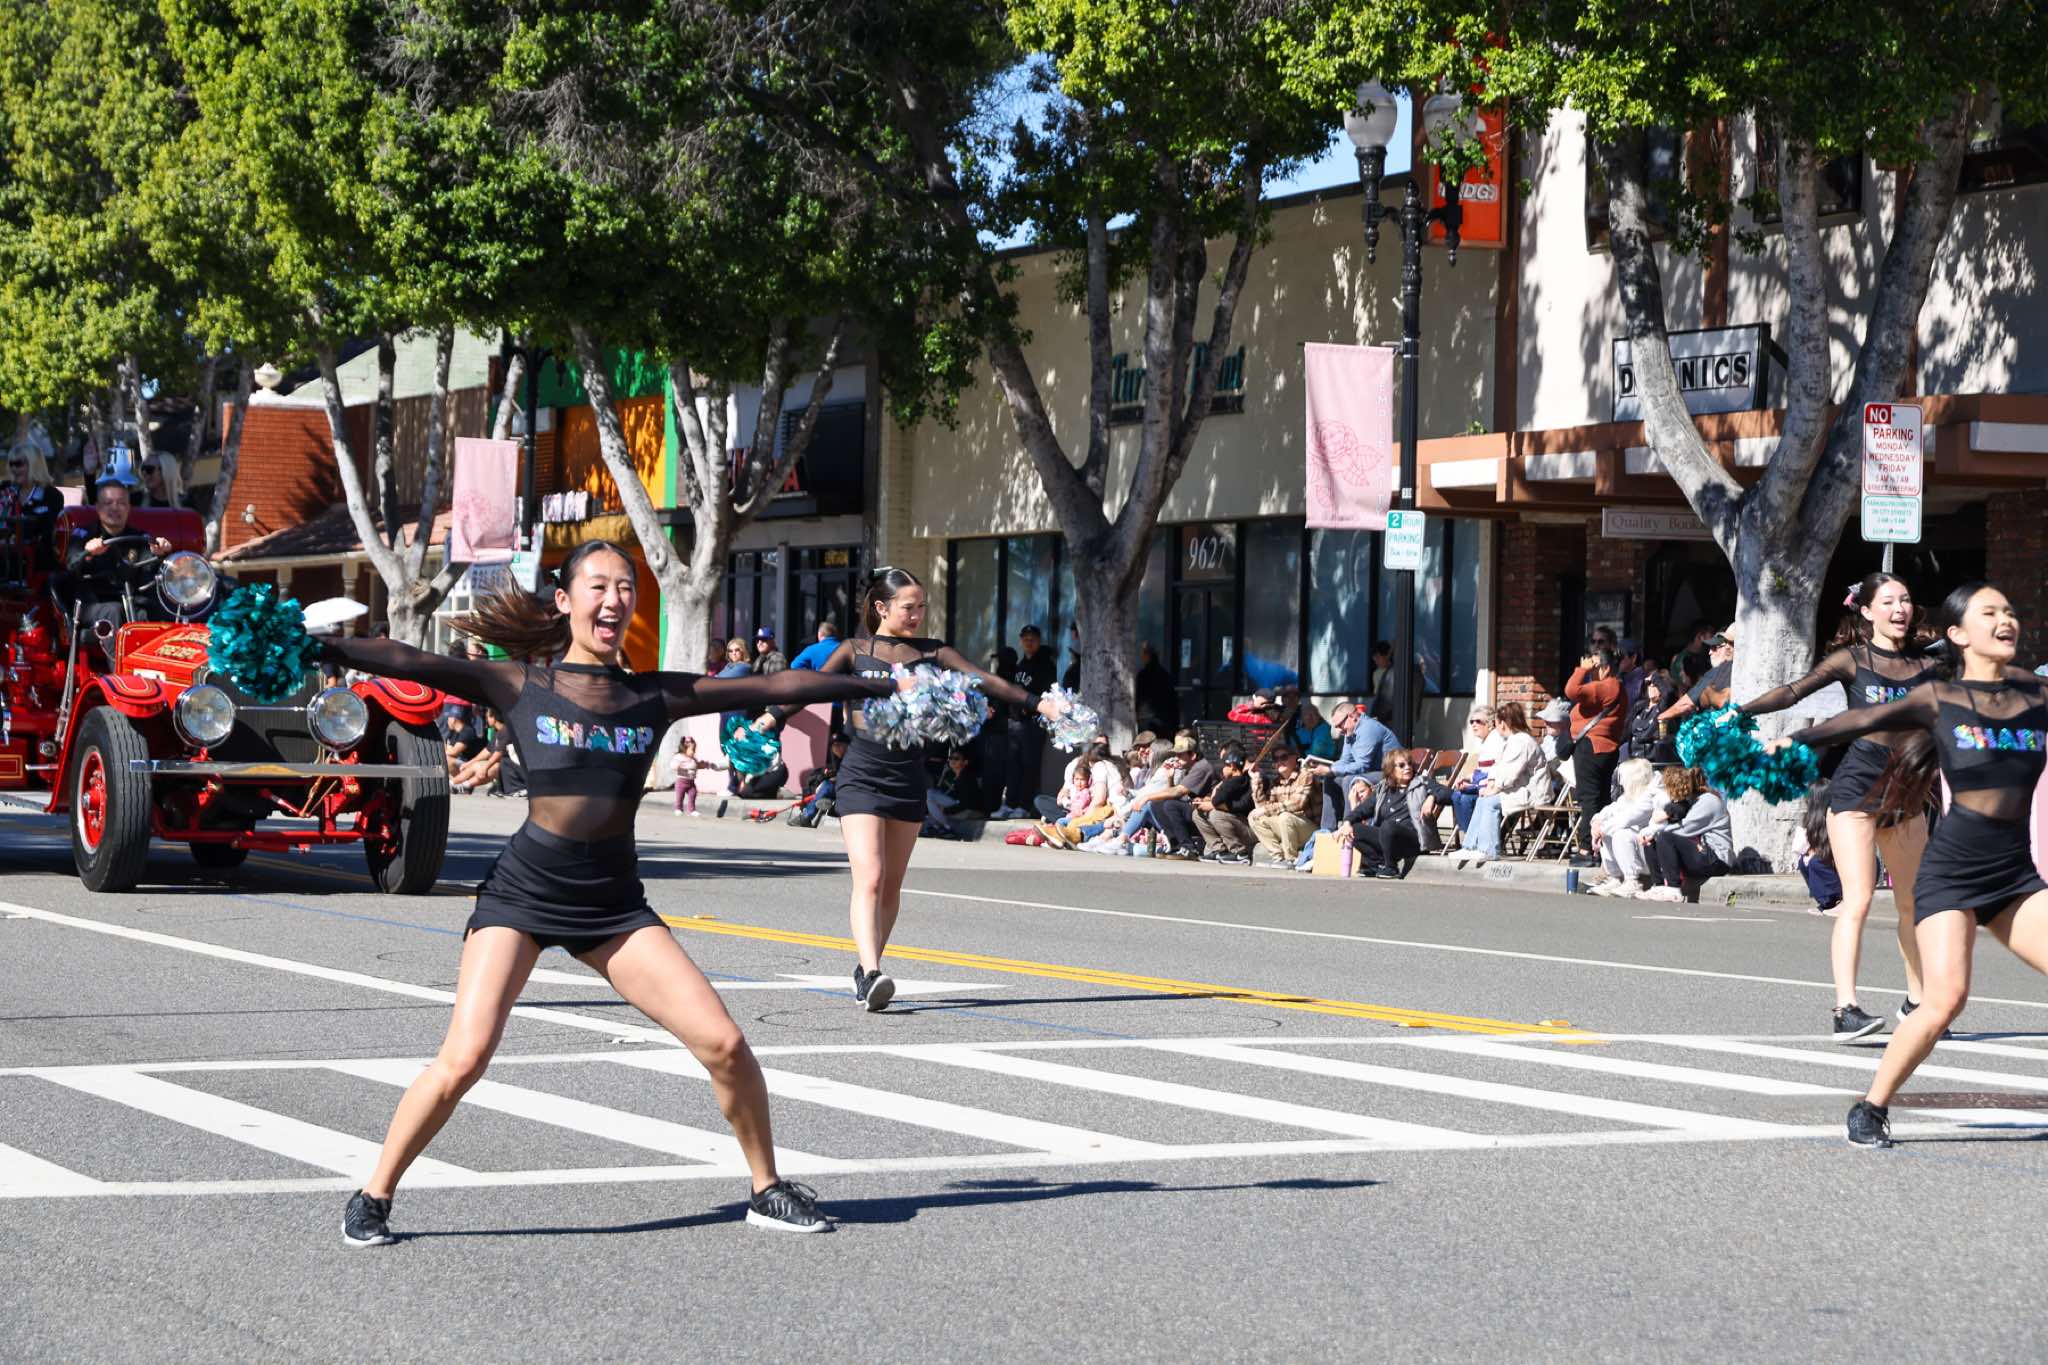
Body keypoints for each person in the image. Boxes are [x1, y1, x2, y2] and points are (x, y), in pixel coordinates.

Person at [310, 539, 893, 1244]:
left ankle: (765, 1188)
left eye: (626, 587)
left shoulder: (654, 695)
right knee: (464, 1057)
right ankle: (374, 1193)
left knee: (725, 1043)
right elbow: (413, 661)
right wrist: (326, 648)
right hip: (522, 894)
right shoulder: (521, 683)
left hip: (613, 904)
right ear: (564, 601)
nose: (614, 599)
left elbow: (774, 689)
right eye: (599, 586)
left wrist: (873, 687)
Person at [1779, 584, 2048, 1147]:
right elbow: (1860, 721)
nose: (2005, 620)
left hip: (2014, 876)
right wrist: (1793, 741)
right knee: (1945, 999)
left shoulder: (2038, 695)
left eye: (2009, 611)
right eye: (1990, 613)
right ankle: (1871, 1107)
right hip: (1952, 874)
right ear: (1957, 634)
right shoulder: (1940, 698)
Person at [770, 567, 1059, 1012]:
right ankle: (871, 973)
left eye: (922, 606)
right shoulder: (853, 650)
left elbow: (984, 680)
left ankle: (867, 968)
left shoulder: (933, 652)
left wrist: (1039, 704)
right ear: (881, 607)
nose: (917, 614)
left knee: (891, 886)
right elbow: (812, 687)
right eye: (909, 607)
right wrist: (771, 718)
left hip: (908, 777)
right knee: (870, 876)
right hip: (861, 775)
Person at [1737, 571, 1937, 1041]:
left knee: (1915, 903)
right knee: (1859, 899)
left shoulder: (1929, 666)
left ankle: (1918, 1003)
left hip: (1906, 793)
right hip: (1856, 791)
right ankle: (1845, 1009)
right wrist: (1740, 711)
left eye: (1905, 600)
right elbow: (1793, 691)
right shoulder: (1854, 659)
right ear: (1866, 612)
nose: (1900, 609)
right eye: (1888, 602)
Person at [61, 479, 174, 638]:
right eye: (108, 503)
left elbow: (152, 568)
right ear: (98, 507)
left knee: (155, 611)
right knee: (114, 611)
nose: (115, 508)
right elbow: (70, 565)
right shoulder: (83, 535)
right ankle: (119, 656)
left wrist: (160, 553)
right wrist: (88, 554)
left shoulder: (140, 538)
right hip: (90, 604)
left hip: (130, 602)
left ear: (128, 508)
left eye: (121, 503)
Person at [1340, 750, 1450, 878]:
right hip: (1387, 838)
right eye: (1402, 765)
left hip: (1414, 839)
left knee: (1388, 826)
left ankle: (1391, 867)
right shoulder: (1383, 788)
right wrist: (1347, 822)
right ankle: (1375, 864)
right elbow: (1363, 810)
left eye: (1409, 764)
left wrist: (1432, 797)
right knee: (1355, 829)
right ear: (1391, 770)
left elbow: (1448, 794)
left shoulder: (1422, 783)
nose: (1407, 767)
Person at [1564, 647, 1626, 866]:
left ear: (1606, 668)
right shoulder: (1614, 688)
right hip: (1604, 748)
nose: (1591, 670)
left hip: (1591, 747)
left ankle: (1586, 849)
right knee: (1601, 799)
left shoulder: (1606, 686)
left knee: (1589, 799)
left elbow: (1571, 690)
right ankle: (1601, 847)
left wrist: (1581, 669)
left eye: (1595, 666)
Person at [1461, 702, 1545, 863]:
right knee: (1483, 799)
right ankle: (1470, 846)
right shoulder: (1512, 740)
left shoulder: (1521, 742)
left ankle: (1489, 850)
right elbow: (1499, 768)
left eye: (1497, 722)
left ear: (1503, 723)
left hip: (1531, 792)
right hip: (1518, 789)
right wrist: (1491, 784)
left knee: (1489, 802)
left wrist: (1495, 788)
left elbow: (1510, 773)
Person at [1636, 767, 1732, 903]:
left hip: (1717, 860)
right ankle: (1658, 886)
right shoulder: (1692, 801)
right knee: (1652, 840)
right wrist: (1650, 834)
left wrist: (1652, 832)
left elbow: (1686, 828)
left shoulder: (1708, 801)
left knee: (1664, 836)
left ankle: (1674, 890)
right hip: (1702, 854)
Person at [992, 624, 1057, 818]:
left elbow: (1047, 694)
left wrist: (1029, 705)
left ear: (1039, 641)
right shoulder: (1020, 665)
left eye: (1033, 639)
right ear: (1020, 641)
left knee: (1030, 764)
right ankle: (1010, 804)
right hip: (1015, 722)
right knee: (1013, 764)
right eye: (1026, 639)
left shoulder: (1046, 665)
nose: (1029, 643)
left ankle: (1024, 806)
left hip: (1033, 722)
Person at [1316, 700, 1402, 830]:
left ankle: (1349, 826)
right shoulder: (1350, 731)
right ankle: (1327, 830)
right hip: (1373, 772)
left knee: (1348, 780)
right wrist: (1326, 769)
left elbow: (1362, 766)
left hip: (1391, 773)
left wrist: (1331, 770)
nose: (1340, 730)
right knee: (1330, 780)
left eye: (1340, 725)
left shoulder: (1368, 728)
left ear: (1351, 717)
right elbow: (1345, 760)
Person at [1587, 759, 1667, 897]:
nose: (1621, 782)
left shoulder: (1652, 796)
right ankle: (1615, 878)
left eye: (1623, 777)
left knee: (1621, 833)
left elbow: (1628, 817)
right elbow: (1611, 809)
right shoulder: (1630, 796)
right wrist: (1597, 822)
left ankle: (1632, 882)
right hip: (1641, 850)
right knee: (1609, 830)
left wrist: (1601, 829)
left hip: (1654, 853)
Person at [1146, 734, 1220, 858]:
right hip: (1196, 809)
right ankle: (1175, 845)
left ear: (1193, 755)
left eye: (1180, 755)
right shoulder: (1188, 768)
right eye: (1176, 754)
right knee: (1157, 805)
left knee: (1170, 805)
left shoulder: (1201, 767)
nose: (1177, 758)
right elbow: (1173, 796)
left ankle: (1188, 848)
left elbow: (1178, 792)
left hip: (1208, 811)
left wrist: (1146, 797)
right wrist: (1170, 777)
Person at [1247, 746, 1318, 867]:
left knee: (1285, 817)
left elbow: (1297, 804)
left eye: (1284, 757)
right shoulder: (1276, 782)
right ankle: (1278, 858)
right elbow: (1263, 808)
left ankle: (1291, 859)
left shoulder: (1305, 775)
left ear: (1295, 758)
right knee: (1254, 817)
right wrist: (1256, 780)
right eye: (1276, 759)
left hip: (1311, 830)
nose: (1279, 761)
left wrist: (1265, 809)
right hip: (1288, 827)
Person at [2, 446, 64, 577]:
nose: (14, 469)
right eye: (11, 464)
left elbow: (47, 535)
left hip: (38, 563)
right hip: (6, 559)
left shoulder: (51, 495)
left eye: (19, 464)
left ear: (34, 465)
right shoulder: (5, 489)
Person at [1194, 747, 1256, 864]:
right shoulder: (1233, 781)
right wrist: (1206, 801)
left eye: (1225, 766)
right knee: (1197, 814)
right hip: (1237, 824)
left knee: (1216, 815)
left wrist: (1214, 804)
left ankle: (1240, 853)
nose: (1222, 769)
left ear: (1232, 766)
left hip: (1249, 828)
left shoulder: (1242, 781)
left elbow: (1217, 800)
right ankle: (1220, 850)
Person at [1659, 629, 1736, 723]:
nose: (1710, 652)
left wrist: (1662, 717)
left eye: (1715, 648)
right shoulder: (1741, 670)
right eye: (1710, 648)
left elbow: (1686, 703)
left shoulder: (1717, 671)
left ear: (1729, 649)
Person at [1448, 705, 1502, 839]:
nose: (1474, 725)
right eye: (1471, 721)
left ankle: (1473, 838)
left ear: (1490, 724)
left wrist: (1473, 785)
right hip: (1483, 785)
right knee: (1456, 796)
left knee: (1465, 798)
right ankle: (1468, 836)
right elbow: (1482, 770)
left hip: (1494, 788)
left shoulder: (1496, 741)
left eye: (1478, 721)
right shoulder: (1486, 741)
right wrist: (1468, 778)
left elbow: (1494, 772)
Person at [924, 748, 989, 840]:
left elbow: (967, 802)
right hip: (955, 804)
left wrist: (946, 810)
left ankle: (948, 827)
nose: (952, 761)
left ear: (965, 762)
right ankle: (936, 827)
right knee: (930, 794)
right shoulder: (949, 774)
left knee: (930, 795)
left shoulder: (968, 778)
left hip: (969, 808)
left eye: (956, 758)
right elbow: (942, 793)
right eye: (950, 758)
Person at [1797, 792, 1844, 913]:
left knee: (1816, 862)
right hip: (1826, 855)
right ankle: (1826, 902)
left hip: (1844, 859)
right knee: (1803, 862)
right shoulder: (1811, 818)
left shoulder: (1835, 814)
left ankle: (1843, 896)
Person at [1627, 669, 1679, 763]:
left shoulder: (1665, 708)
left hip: (1655, 761)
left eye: (1655, 685)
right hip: (1634, 759)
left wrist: (1655, 677)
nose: (1651, 686)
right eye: (1649, 684)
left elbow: (1668, 693)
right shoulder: (1639, 706)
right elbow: (1626, 730)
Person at [1134, 641, 1179, 737]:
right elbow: (1173, 701)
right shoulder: (1165, 675)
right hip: (1165, 721)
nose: (1141, 657)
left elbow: (1138, 698)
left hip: (1147, 721)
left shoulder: (1143, 675)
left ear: (1147, 655)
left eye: (1143, 653)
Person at [671, 735, 723, 816]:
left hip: (691, 783)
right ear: (684, 749)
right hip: (681, 782)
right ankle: (678, 808)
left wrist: (706, 765)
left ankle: (691, 810)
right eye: (692, 750)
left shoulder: (693, 759)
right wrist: (679, 766)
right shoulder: (679, 757)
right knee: (680, 796)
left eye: (694, 750)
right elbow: (673, 765)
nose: (694, 752)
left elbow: (697, 765)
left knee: (693, 794)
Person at [443, 710, 485, 780]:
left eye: (448, 719)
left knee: (447, 760)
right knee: (443, 760)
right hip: (459, 761)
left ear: (453, 719)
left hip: (470, 763)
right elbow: (448, 749)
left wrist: (443, 752)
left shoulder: (467, 732)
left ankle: (460, 781)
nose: (447, 722)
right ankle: (431, 775)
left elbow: (453, 752)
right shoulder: (453, 732)